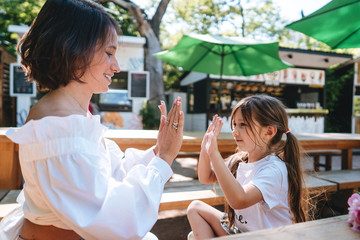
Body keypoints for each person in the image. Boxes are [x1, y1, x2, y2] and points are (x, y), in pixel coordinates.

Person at [0, 0, 184, 239]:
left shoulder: (71, 115)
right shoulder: (60, 123)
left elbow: (107, 172)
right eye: (109, 53)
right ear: (72, 48)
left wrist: (159, 151)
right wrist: (164, 159)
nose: (116, 66)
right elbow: (114, 220)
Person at [187, 95, 309, 240]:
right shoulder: (241, 160)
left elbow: (239, 200)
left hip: (266, 237)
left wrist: (214, 153)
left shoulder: (274, 170)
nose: (235, 131)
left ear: (269, 132)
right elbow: (206, 177)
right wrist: (205, 149)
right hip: (244, 233)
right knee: (195, 210)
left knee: (195, 235)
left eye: (243, 124)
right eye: (234, 124)